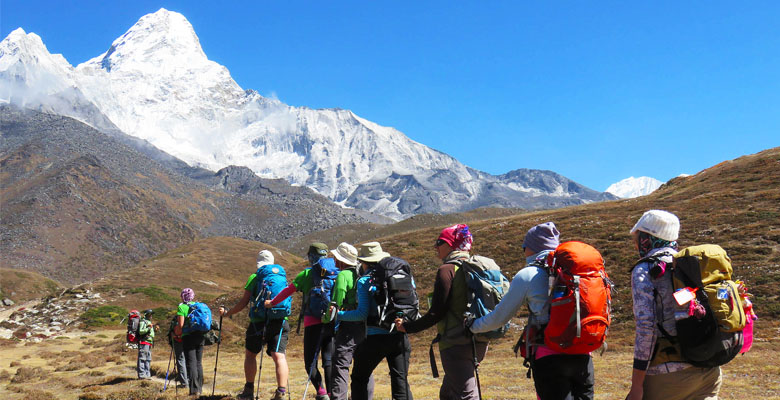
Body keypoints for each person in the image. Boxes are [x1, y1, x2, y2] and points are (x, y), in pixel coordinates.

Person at [466, 222, 595, 399]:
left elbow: (500, 317)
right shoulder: (576, 271)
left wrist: (473, 326)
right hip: (583, 353)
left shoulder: (528, 274)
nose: (523, 250)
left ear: (532, 248)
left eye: (524, 246)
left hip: (549, 355)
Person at [626, 210, 722, 400]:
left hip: (668, 375)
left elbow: (647, 328)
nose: (635, 243)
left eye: (637, 237)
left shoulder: (645, 270)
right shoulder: (692, 265)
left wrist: (636, 385)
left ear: (647, 238)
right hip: (709, 369)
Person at [396, 224, 486, 400]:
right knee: (448, 393)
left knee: (464, 395)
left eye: (440, 242)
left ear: (452, 244)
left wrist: (407, 327)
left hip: (455, 342)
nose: (435, 247)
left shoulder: (447, 270)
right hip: (479, 339)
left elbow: (436, 312)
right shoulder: (475, 267)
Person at [339, 242, 413, 400]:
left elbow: (361, 313)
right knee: (400, 381)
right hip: (400, 334)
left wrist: (338, 315)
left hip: (375, 337)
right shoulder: (401, 275)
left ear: (364, 263)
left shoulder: (365, 281)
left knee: (359, 377)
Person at [266, 243, 335, 400]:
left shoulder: (306, 274)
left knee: (310, 362)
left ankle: (321, 392)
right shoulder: (335, 273)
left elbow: (287, 291)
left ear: (311, 257)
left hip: (313, 322)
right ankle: (332, 393)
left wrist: (272, 303)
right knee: (329, 359)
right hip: (332, 321)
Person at [220, 250, 291, 400]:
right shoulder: (282, 277)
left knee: (251, 355)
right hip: (280, 321)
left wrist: (228, 313)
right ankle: (281, 392)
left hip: (258, 323)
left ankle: (249, 390)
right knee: (279, 356)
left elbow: (243, 302)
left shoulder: (255, 277)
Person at [326, 242, 374, 400]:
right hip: (365, 325)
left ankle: (339, 397)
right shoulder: (362, 273)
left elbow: (336, 303)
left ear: (341, 260)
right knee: (364, 366)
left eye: (335, 256)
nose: (333, 259)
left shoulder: (342, 275)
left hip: (348, 326)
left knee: (341, 364)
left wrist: (327, 317)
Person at [174, 288, 205, 396]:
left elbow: (181, 326)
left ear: (182, 296)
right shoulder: (197, 306)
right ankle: (200, 388)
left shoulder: (182, 307)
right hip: (200, 336)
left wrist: (176, 333)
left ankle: (194, 390)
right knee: (198, 363)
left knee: (191, 363)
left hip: (188, 337)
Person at [168, 314, 188, 388]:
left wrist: (174, 336)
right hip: (190, 341)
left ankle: (184, 382)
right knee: (189, 360)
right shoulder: (189, 318)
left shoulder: (178, 321)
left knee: (180, 360)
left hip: (179, 341)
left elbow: (176, 332)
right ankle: (190, 381)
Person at [136, 309, 157, 379]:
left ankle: (147, 374)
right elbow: (141, 331)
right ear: (147, 315)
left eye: (151, 314)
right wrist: (148, 328)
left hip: (148, 343)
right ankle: (142, 375)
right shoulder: (143, 322)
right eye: (150, 314)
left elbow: (151, 334)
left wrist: (154, 330)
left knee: (148, 359)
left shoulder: (148, 322)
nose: (151, 316)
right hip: (144, 342)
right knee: (142, 358)